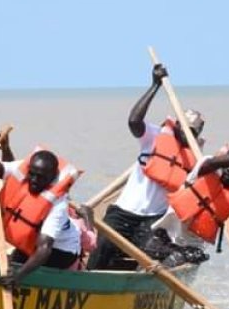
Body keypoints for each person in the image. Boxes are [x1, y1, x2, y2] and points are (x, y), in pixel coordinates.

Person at [86, 63, 204, 270]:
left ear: (198, 134)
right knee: (101, 249)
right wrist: (154, 86)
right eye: (184, 128)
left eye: (192, 131)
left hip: (153, 219)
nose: (187, 134)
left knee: (152, 250)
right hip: (123, 212)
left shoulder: (196, 158)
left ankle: (178, 257)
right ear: (176, 125)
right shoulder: (155, 136)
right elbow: (134, 121)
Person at [0, 113, 82, 291]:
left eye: (41, 178)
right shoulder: (24, 168)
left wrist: (19, 276)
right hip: (31, 244)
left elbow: (45, 249)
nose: (34, 181)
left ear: (52, 178)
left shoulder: (58, 204)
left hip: (61, 251)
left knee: (16, 271)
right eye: (32, 174)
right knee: (9, 266)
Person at [153, 144, 229, 263]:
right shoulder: (205, 169)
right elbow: (215, 162)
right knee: (149, 252)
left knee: (175, 260)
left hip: (190, 249)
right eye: (228, 164)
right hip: (165, 234)